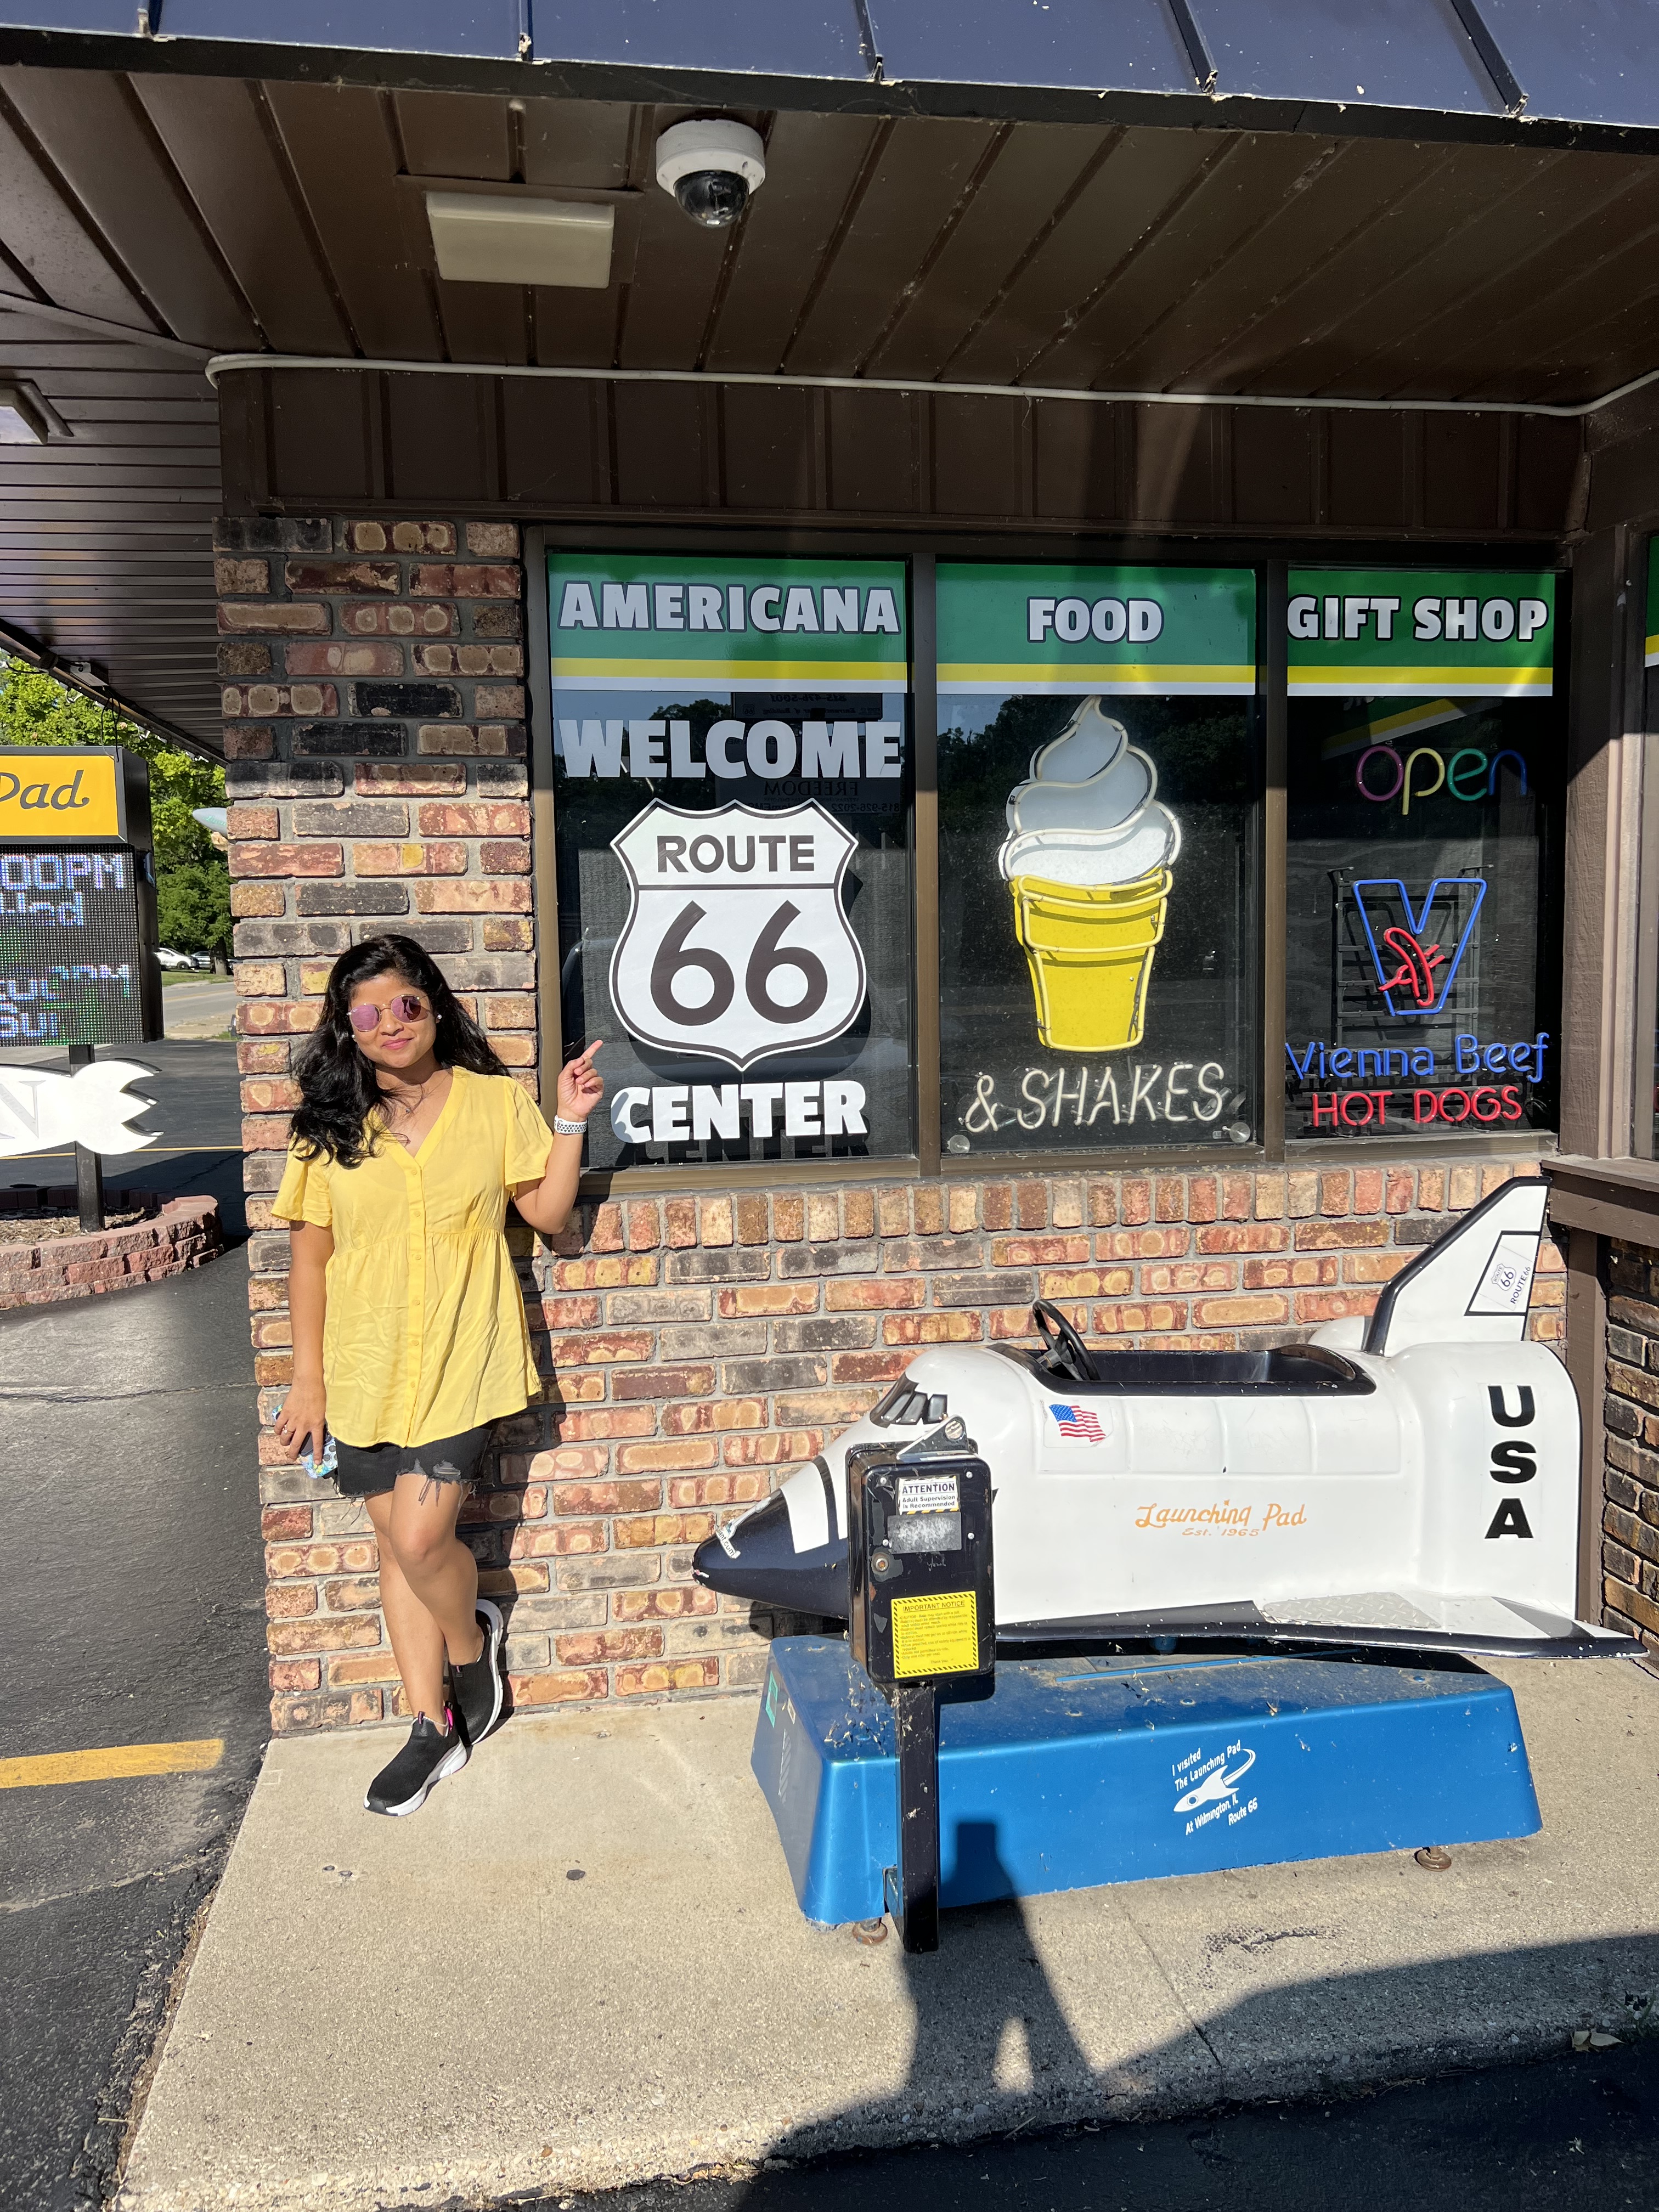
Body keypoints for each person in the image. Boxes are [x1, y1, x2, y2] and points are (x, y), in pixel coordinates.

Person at [272, 933, 603, 1816]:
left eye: (406, 1004)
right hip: (364, 1369)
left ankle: (468, 1648)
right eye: (367, 1014)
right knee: (394, 1550)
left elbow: (548, 1213)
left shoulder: (493, 1103)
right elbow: (310, 1262)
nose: (390, 1024)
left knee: (421, 1543)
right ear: (347, 1029)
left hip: (465, 1357)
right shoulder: (327, 1128)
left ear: (435, 1006)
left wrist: (570, 1119)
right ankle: (430, 1725)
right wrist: (308, 1381)